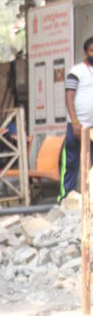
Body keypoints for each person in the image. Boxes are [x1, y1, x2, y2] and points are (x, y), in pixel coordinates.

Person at [59, 36, 93, 201]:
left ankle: (89, 201)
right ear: (86, 52)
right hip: (78, 126)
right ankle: (68, 198)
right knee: (72, 163)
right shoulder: (76, 71)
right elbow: (69, 97)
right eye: (92, 50)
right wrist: (75, 122)